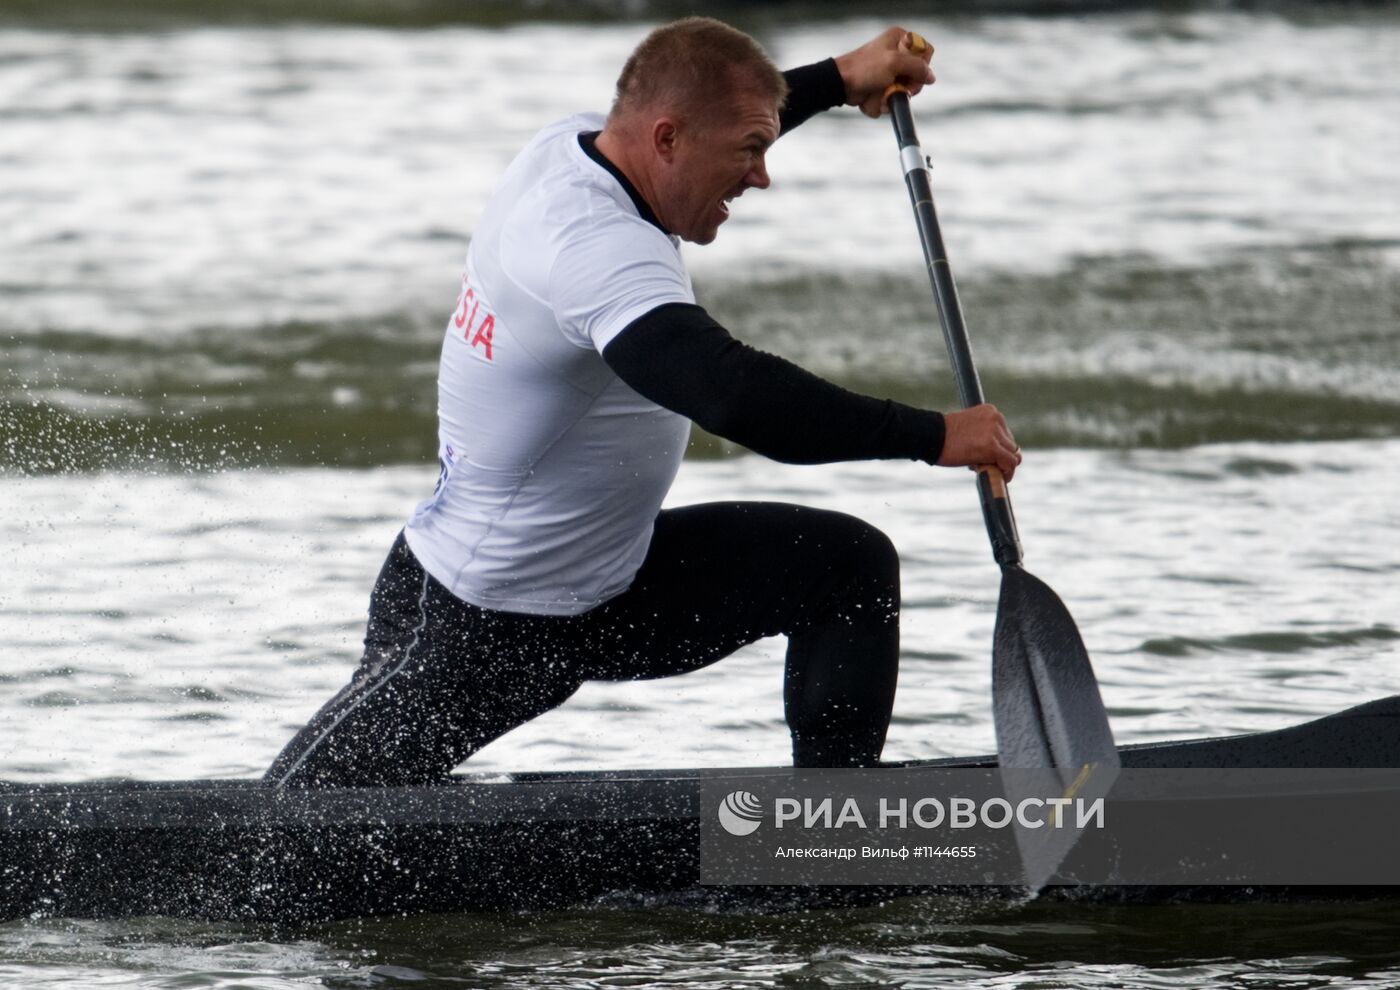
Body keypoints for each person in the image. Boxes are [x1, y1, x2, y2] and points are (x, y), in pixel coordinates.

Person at [266, 17, 1021, 788]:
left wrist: (837, 79)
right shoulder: (592, 247)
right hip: (483, 619)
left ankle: (831, 838)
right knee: (288, 828)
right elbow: (730, 394)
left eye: (761, 147)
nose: (761, 176)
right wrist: (933, 436)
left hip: (614, 585)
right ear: (665, 143)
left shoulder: (584, 147)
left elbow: (706, 115)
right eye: (750, 152)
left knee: (845, 569)